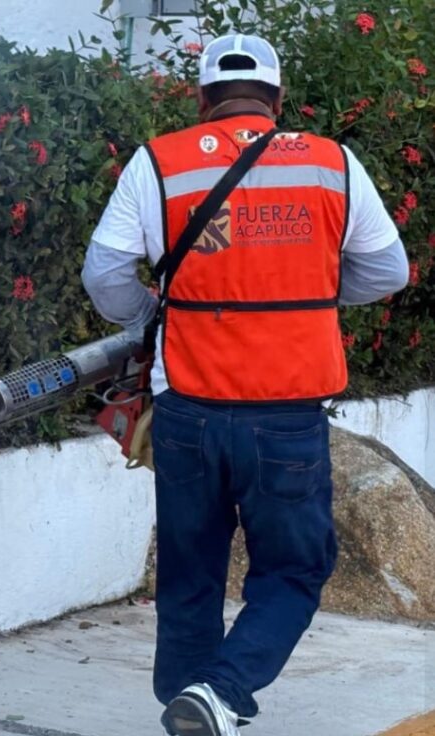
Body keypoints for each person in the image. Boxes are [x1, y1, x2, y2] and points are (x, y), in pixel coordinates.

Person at [81, 34, 411, 736]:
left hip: (188, 414)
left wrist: (152, 315)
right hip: (288, 419)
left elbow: (104, 275)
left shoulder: (159, 163)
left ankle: (191, 700)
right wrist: (310, 293)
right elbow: (389, 272)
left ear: (201, 100)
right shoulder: (332, 164)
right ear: (278, 100)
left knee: (189, 573)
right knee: (292, 571)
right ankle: (220, 696)